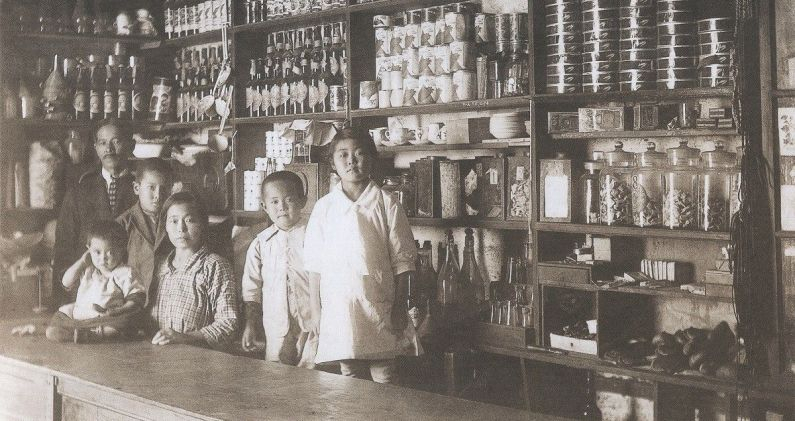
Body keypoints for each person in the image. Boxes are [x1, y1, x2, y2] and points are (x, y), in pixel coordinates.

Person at [304, 128, 421, 384]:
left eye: (359, 154)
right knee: (350, 378)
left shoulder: (386, 203)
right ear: (333, 163)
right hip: (341, 310)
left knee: (384, 377)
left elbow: (403, 263)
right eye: (343, 155)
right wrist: (316, 310)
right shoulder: (324, 208)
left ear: (370, 159)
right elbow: (315, 265)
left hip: (379, 306)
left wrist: (400, 306)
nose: (351, 161)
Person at [54, 120, 137, 305]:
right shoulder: (79, 192)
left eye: (116, 141)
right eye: (102, 143)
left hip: (130, 291)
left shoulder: (142, 190)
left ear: (131, 146)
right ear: (96, 148)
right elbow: (63, 249)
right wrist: (62, 300)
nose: (109, 148)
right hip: (87, 293)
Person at [240, 171, 318, 367]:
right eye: (274, 202)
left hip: (313, 324)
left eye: (289, 199)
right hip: (276, 327)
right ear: (264, 206)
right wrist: (250, 325)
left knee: (314, 375)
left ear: (303, 201)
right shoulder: (261, 243)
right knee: (277, 378)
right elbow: (251, 289)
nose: (282, 207)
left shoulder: (315, 235)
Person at [148, 192, 239, 349]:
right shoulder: (159, 266)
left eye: (189, 220)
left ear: (203, 224)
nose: (181, 228)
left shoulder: (215, 266)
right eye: (174, 221)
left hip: (199, 359)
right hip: (158, 356)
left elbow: (228, 323)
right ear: (165, 226)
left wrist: (185, 338)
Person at [45, 220, 146, 342]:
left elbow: (136, 299)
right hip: (80, 316)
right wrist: (82, 261)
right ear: (89, 249)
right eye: (97, 252)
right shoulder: (88, 269)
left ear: (122, 251)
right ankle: (76, 334)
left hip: (106, 318)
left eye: (110, 252)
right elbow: (66, 282)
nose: (103, 258)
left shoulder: (125, 272)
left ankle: (93, 334)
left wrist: (119, 310)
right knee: (60, 315)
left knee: (128, 321)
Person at [116, 158, 173, 301]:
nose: (158, 196)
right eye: (151, 187)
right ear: (136, 188)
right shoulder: (122, 224)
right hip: (133, 301)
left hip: (168, 300)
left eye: (164, 189)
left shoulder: (176, 220)